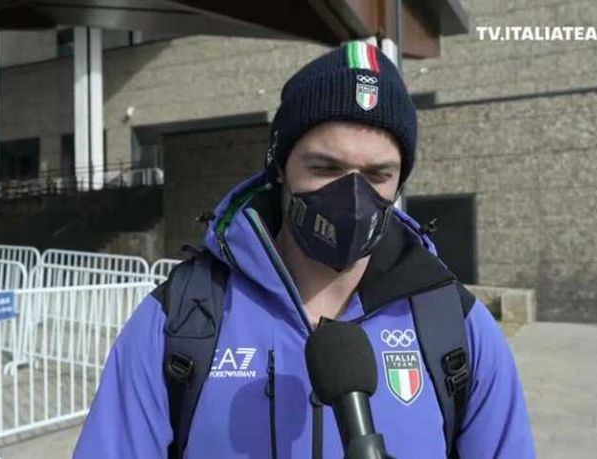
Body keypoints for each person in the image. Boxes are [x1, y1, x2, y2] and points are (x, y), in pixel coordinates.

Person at [74, 41, 536, 458]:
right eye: (325, 167)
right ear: (280, 167)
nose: (352, 198)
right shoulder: (179, 320)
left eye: (377, 175)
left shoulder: (457, 329)